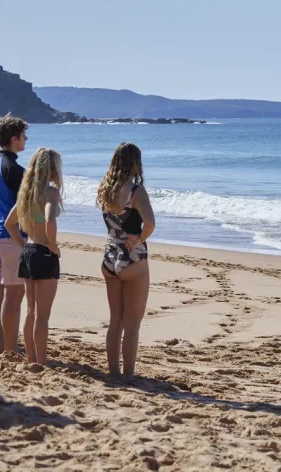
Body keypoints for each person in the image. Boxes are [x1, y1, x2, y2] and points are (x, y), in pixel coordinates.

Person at [96, 142, 156, 382]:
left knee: (115, 321)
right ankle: (129, 376)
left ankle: (113, 371)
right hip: (132, 257)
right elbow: (150, 223)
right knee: (132, 323)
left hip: (109, 255)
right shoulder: (135, 190)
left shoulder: (105, 189)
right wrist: (140, 238)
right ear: (136, 163)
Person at [4, 148, 63, 366]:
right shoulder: (51, 192)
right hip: (44, 252)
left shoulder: (26, 192)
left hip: (28, 251)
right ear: (52, 168)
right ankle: (42, 361)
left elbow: (9, 224)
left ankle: (31, 358)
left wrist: (22, 244)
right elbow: (50, 220)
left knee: (30, 311)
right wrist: (53, 246)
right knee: (42, 315)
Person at [0, 114, 28, 354]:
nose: (26, 140)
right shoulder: (15, 170)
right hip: (10, 238)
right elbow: (26, 206)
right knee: (14, 295)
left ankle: (1, 347)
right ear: (13, 139)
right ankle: (10, 349)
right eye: (23, 136)